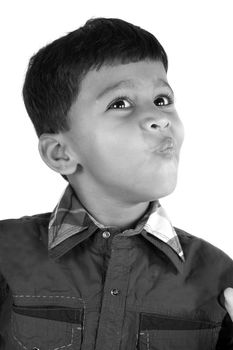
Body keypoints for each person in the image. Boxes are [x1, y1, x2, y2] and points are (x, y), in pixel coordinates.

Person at [0, 17, 233, 350]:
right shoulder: (5, 253)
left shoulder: (218, 277)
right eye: (120, 103)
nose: (160, 117)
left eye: (162, 100)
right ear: (60, 153)